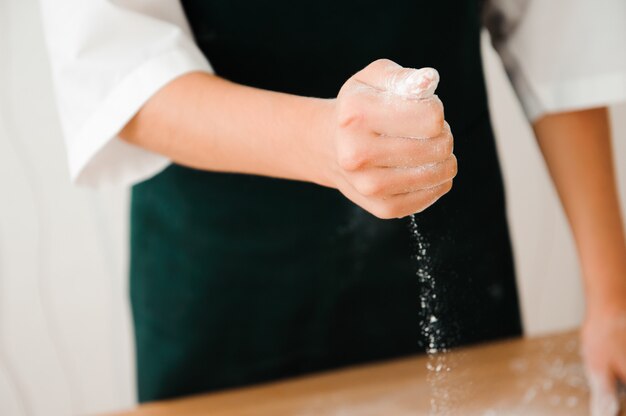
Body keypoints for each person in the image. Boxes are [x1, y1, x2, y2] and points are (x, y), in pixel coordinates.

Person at [41, 0, 626, 413]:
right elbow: (115, 70)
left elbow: (556, 31)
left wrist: (612, 296)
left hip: (449, 235)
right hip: (226, 280)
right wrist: (328, 142)